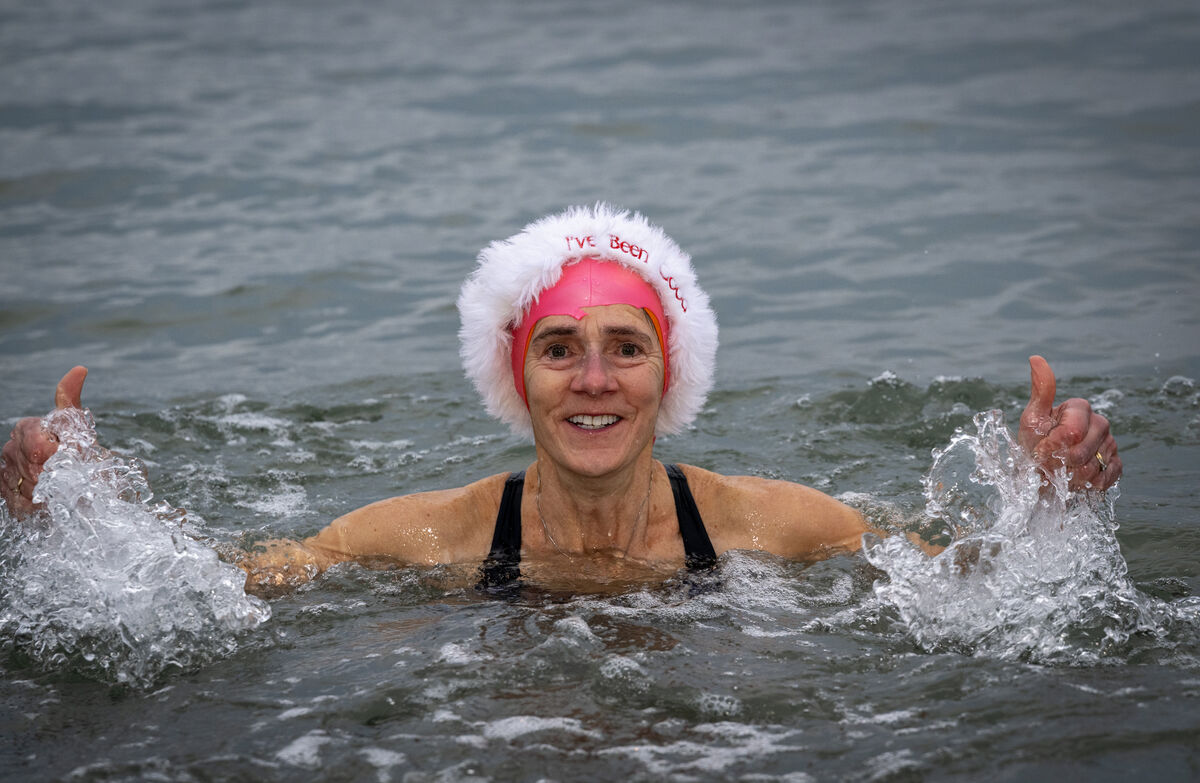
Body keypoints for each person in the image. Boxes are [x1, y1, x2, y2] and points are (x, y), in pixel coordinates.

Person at [1, 205, 1122, 596]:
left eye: (626, 348)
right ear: (517, 377)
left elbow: (953, 580)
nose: (593, 378)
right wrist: (80, 526)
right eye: (560, 351)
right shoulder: (428, 534)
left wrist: (1046, 509)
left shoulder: (768, 524)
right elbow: (231, 587)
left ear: (668, 377)